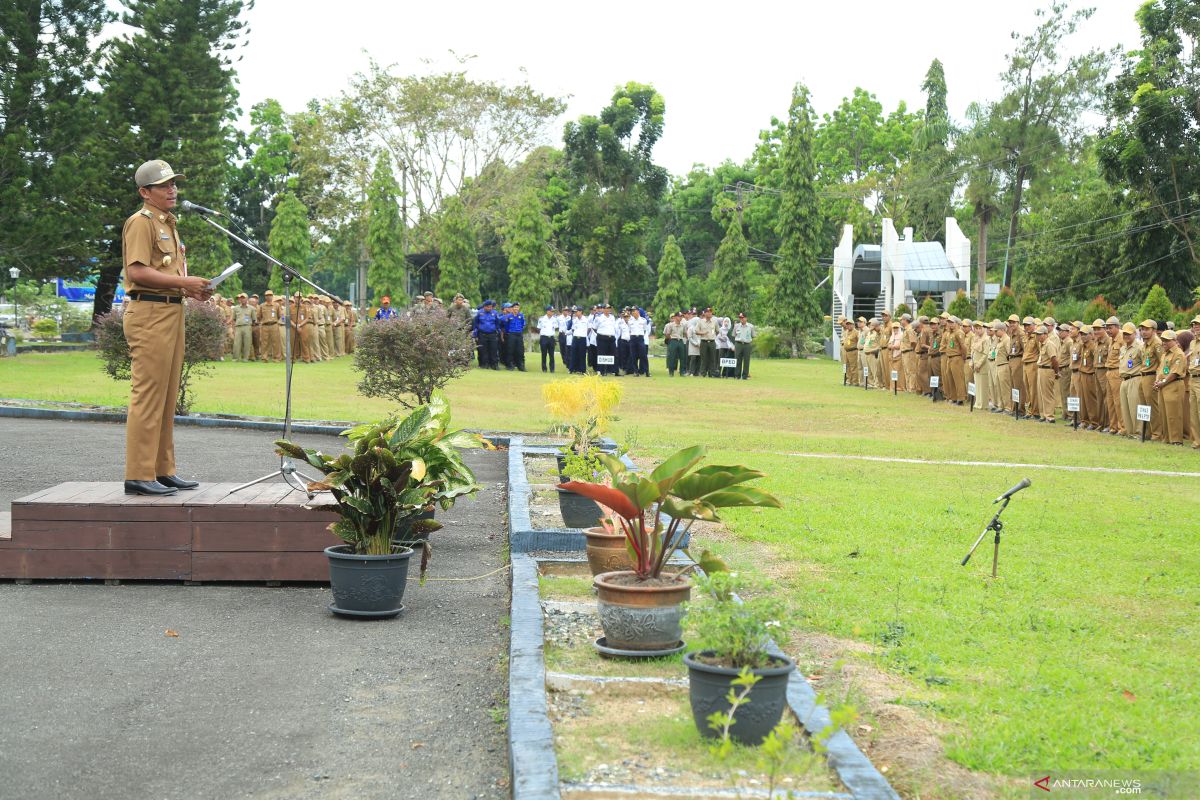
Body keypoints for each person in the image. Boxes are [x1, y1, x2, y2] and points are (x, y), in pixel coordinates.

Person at [120, 159, 212, 496]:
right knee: (148, 396)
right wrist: (184, 281)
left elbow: (167, 275)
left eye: (174, 183)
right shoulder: (140, 223)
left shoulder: (169, 223)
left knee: (167, 395)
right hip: (149, 315)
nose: (172, 189)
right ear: (145, 192)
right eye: (164, 185)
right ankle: (138, 473)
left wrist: (190, 288)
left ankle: (162, 469)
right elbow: (138, 272)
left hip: (172, 313)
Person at [1154, 329, 1186, 444]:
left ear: (1174, 340)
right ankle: (1166, 438)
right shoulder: (1164, 354)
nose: (1164, 343)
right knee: (1163, 413)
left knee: (1174, 414)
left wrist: (1163, 382)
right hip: (1163, 386)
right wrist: (1157, 381)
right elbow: (1160, 369)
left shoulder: (1178, 353)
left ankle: (1176, 440)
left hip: (1174, 385)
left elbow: (1175, 372)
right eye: (1162, 340)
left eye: (1167, 340)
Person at [1137, 319, 1164, 441]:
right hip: (1143, 376)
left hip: (1151, 376)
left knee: (1152, 406)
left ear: (1154, 330)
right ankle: (1146, 432)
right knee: (1144, 406)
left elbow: (1162, 363)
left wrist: (1158, 379)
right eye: (1142, 329)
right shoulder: (1145, 344)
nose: (1143, 332)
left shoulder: (1157, 343)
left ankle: (1157, 433)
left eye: (1147, 329)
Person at [473, 300, 502, 369]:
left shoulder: (495, 313)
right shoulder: (479, 313)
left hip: (492, 334)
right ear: (484, 307)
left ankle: (494, 365)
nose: (489, 308)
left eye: (491, 307)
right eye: (488, 307)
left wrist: (498, 332)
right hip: (482, 334)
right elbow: (475, 324)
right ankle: (484, 364)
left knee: (494, 349)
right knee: (483, 350)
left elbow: (497, 323)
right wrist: (475, 335)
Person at [231, 293, 255, 362]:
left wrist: (250, 326)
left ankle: (245, 358)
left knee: (247, 343)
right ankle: (235, 358)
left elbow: (254, 319)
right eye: (241, 298)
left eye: (244, 298)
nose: (242, 299)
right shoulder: (236, 308)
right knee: (236, 343)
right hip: (238, 327)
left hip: (247, 327)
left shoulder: (251, 308)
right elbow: (234, 319)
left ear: (247, 299)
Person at [663, 311, 687, 377]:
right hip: (673, 340)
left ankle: (682, 372)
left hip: (680, 340)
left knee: (682, 357)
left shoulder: (683, 325)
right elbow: (667, 334)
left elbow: (685, 333)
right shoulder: (670, 325)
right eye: (679, 316)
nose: (680, 318)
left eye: (681, 316)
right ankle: (671, 372)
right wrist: (671, 339)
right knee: (672, 357)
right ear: (676, 317)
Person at [733, 313, 755, 380]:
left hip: (747, 344)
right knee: (737, 360)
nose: (741, 319)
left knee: (746, 360)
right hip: (738, 344)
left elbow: (753, 335)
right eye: (740, 318)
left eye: (742, 318)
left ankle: (745, 376)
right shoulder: (736, 326)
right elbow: (734, 335)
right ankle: (737, 375)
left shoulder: (750, 326)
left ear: (746, 318)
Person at [505, 302, 527, 371]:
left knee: (520, 350)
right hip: (511, 334)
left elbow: (523, 324)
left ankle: (521, 366)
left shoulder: (521, 316)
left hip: (519, 334)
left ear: (519, 308)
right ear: (512, 308)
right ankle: (510, 365)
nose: (516, 308)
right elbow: (506, 326)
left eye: (517, 307)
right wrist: (510, 331)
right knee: (510, 350)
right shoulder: (509, 316)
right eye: (515, 307)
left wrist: (519, 330)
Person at [536, 305, 558, 373]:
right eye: (551, 311)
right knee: (544, 354)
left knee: (551, 354)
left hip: (551, 338)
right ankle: (544, 369)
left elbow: (556, 327)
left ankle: (552, 369)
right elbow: (538, 328)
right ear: (547, 311)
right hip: (544, 338)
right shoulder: (541, 319)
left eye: (553, 311)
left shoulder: (554, 319)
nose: (552, 312)